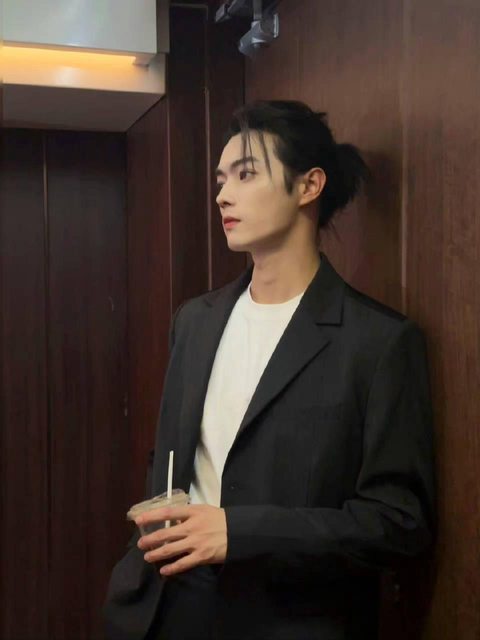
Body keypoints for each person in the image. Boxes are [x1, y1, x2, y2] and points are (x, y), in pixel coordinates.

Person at [104, 100, 435, 640]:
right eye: (220, 179)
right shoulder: (195, 321)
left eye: (246, 174)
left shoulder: (378, 342)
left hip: (288, 618)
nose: (222, 195)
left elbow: (397, 522)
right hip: (167, 606)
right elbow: (170, 459)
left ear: (309, 186)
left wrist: (241, 532)